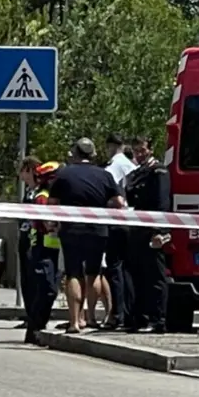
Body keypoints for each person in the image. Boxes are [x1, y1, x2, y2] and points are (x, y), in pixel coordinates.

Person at [48, 138, 126, 333]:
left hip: (71, 229)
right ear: (92, 154)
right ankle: (91, 317)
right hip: (98, 230)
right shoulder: (104, 175)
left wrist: (53, 224)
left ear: (75, 153)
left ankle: (75, 321)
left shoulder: (64, 174)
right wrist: (100, 206)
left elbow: (52, 204)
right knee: (94, 272)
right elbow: (119, 202)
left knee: (73, 273)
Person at [123, 136, 170, 333]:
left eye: (142, 150)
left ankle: (157, 319)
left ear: (150, 150)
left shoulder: (158, 171)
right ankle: (138, 318)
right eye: (136, 151)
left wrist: (160, 232)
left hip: (152, 231)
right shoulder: (137, 173)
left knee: (155, 278)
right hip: (136, 230)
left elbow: (162, 203)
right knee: (137, 276)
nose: (139, 154)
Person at [101, 134, 137, 328]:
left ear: (112, 146)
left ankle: (118, 313)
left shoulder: (114, 165)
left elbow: (109, 191)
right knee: (128, 269)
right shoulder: (131, 164)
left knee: (114, 269)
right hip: (133, 221)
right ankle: (129, 313)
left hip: (117, 221)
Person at [25, 161, 63, 344]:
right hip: (42, 250)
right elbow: (48, 223)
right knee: (46, 290)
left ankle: (37, 328)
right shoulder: (43, 197)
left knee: (50, 290)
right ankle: (35, 330)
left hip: (51, 250)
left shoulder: (50, 196)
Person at [15, 156, 42, 329]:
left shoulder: (40, 192)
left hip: (35, 239)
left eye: (23, 171)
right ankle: (28, 313)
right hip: (25, 237)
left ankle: (35, 314)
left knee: (33, 278)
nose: (21, 175)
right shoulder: (29, 192)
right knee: (25, 278)